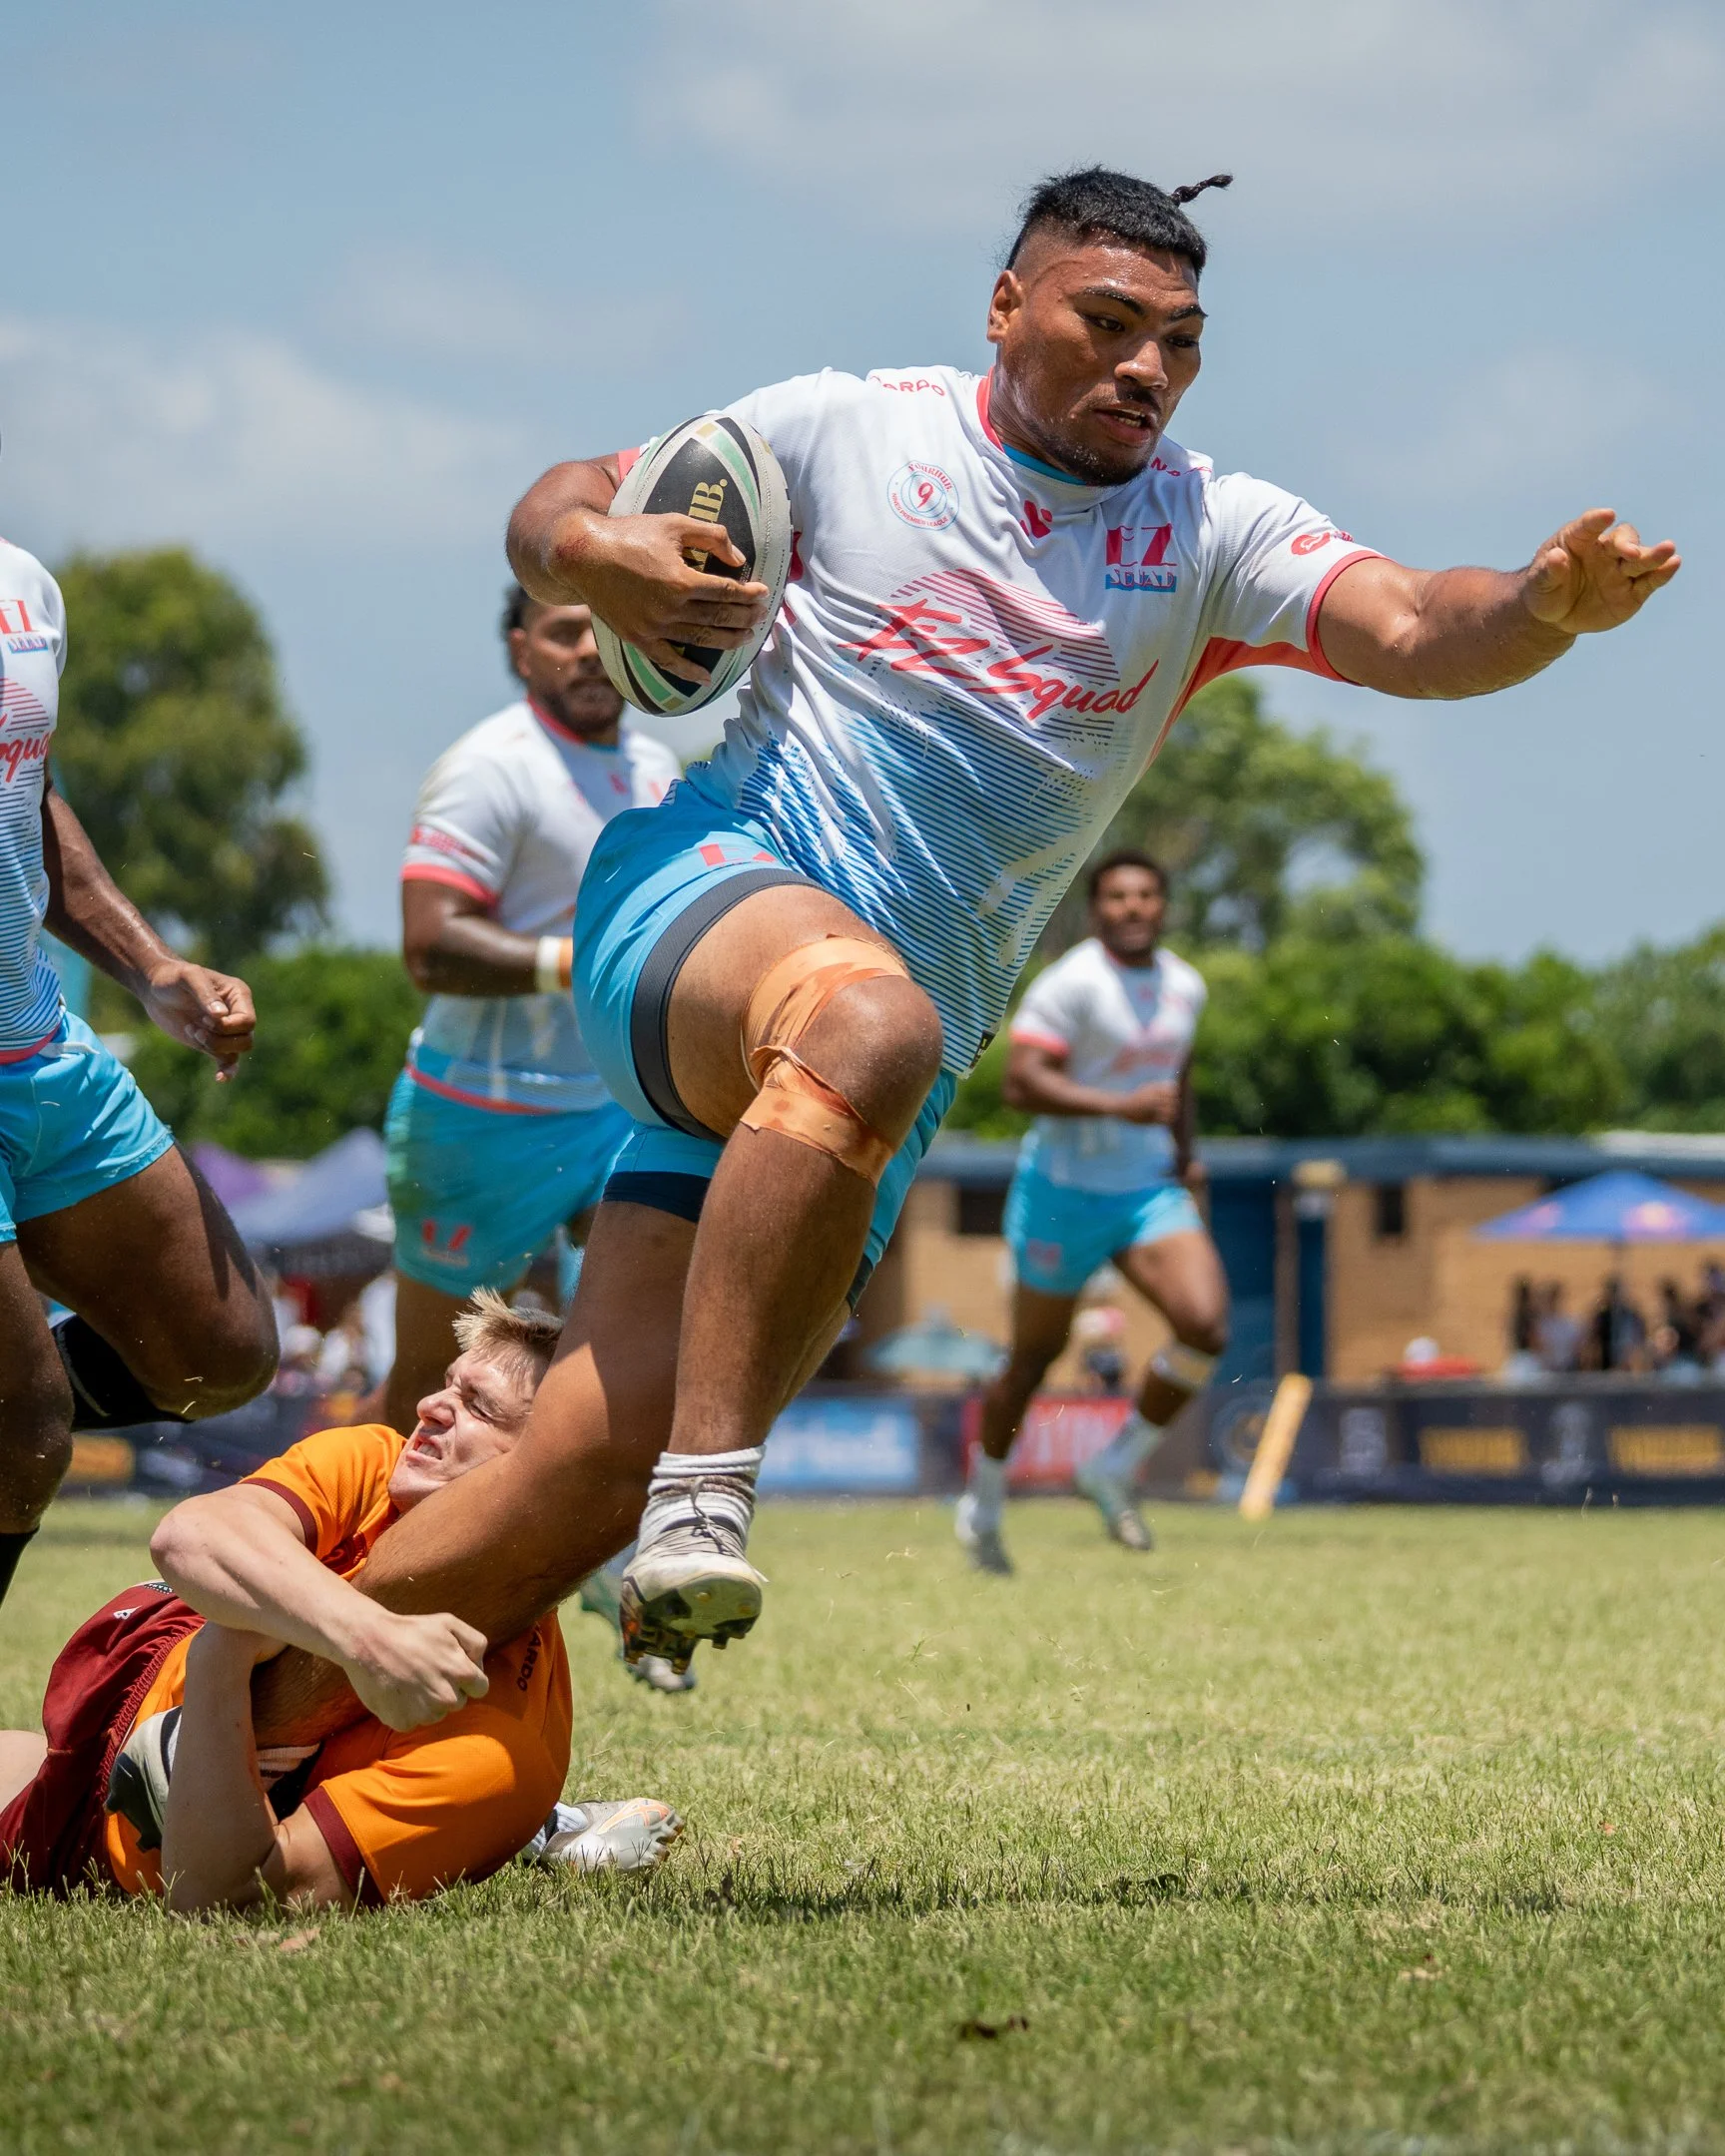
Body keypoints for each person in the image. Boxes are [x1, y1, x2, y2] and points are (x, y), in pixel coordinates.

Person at [250, 164, 1680, 1741]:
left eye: (1182, 342)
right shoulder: (852, 428)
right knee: (867, 1029)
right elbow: (559, 504)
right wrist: (595, 558)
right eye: (1110, 322)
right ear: (1008, 309)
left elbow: (1415, 621)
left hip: (854, 1087)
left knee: (574, 1477)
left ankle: (220, 1721)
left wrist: (1545, 605)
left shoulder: (1206, 529)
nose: (1148, 367)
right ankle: (711, 1500)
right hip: (702, 907)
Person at [0, 1292, 680, 1906]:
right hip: (130, 1683)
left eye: (478, 1407)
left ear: (539, 1481)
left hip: (103, 1822)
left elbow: (226, 1895)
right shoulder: (379, 1461)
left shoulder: (500, 1754)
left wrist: (227, 1648)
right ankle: (539, 1835)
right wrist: (367, 1637)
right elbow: (189, 1537)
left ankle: (522, 1832)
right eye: (448, 1385)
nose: (429, 1406)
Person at [0, 536, 279, 1610]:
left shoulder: (26, 586)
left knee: (222, 1351)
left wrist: (149, 966)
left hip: (37, 1047)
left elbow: (33, 798)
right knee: (23, 1432)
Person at [382, 586, 679, 1435]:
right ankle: (338, 1541)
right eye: (563, 633)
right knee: (429, 1380)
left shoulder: (656, 768)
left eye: (609, 626)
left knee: (641, 1330)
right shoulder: (492, 765)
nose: (590, 650)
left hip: (620, 1109)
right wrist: (587, 966)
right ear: (521, 650)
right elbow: (430, 946)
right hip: (481, 1117)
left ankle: (609, 1547)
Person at [958, 850, 1224, 1571]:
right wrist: (1121, 1105)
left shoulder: (1185, 986)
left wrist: (1186, 1152)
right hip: (1062, 1193)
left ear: (1163, 906)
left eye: (1146, 895)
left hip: (1146, 1189)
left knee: (1205, 1327)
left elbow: (1178, 1075)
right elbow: (1020, 1083)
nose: (1133, 907)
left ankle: (1113, 1467)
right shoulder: (1070, 983)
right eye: (1117, 896)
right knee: (1035, 1359)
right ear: (1096, 908)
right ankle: (983, 1503)